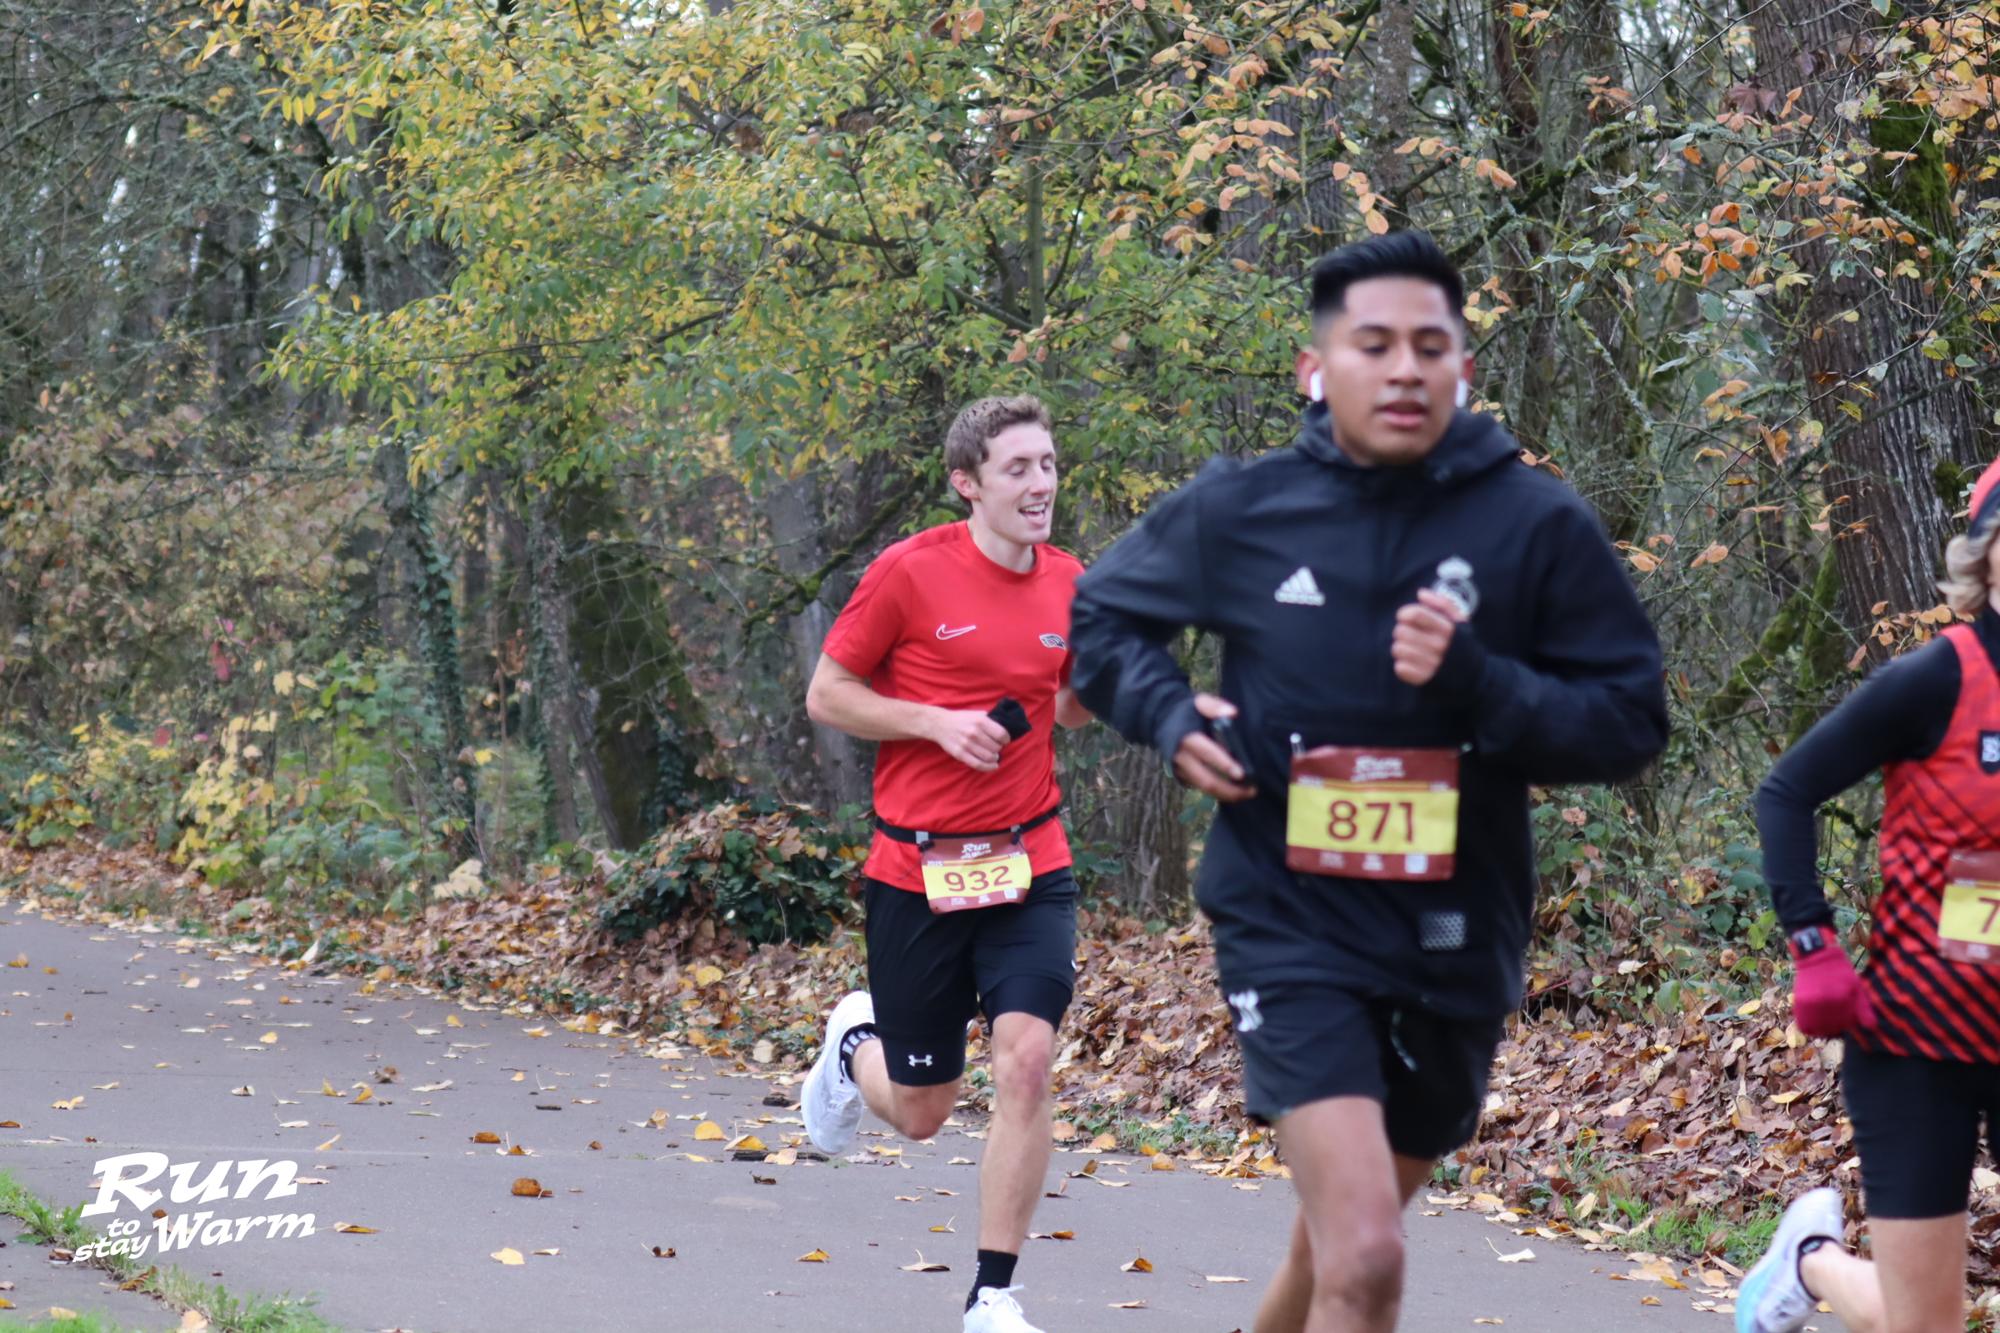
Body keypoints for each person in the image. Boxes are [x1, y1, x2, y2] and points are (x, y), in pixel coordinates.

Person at [1066, 229, 1668, 1333]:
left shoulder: (1534, 523)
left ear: (1462, 369)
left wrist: (1479, 681)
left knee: (1337, 1249)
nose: (1403, 370)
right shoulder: (1245, 509)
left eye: (1429, 347)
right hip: (1287, 919)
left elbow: (1631, 721)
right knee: (1368, 1254)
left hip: (1454, 930)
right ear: (1316, 367)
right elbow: (1099, 619)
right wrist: (1165, 713)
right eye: (1374, 344)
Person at [798, 394, 1092, 1333]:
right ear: (968, 482)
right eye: (1019, 468)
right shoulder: (909, 571)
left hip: (1029, 860)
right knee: (924, 1111)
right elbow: (828, 694)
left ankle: (992, 1293)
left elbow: (1073, 706)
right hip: (917, 870)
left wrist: (1116, 670)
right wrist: (934, 722)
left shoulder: (1071, 582)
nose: (1041, 484)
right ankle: (853, 1043)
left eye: (1049, 464)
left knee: (1027, 1059)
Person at [1737, 456, 2000, 1333]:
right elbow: (1786, 792)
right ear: (1985, 554)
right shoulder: (1939, 679)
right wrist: (1813, 943)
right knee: (1924, 1322)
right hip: (1919, 1037)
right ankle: (1811, 1262)